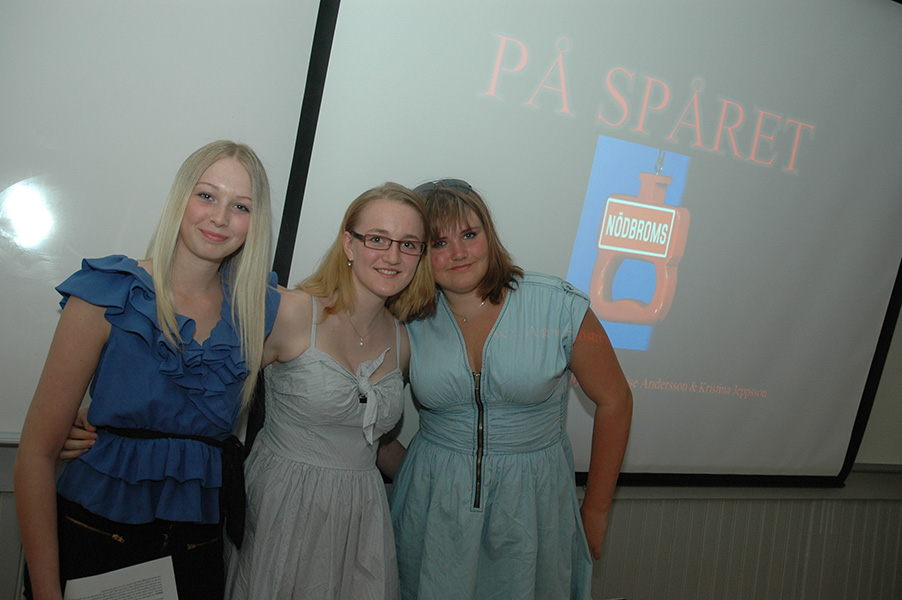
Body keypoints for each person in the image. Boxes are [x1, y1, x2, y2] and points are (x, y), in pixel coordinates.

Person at [14, 140, 281, 600]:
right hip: (95, 538)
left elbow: (337, 318)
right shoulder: (108, 295)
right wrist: (45, 592)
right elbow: (35, 456)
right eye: (206, 195)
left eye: (241, 206)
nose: (220, 217)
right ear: (180, 197)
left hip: (196, 551)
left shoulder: (258, 311)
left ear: (256, 223)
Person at [389, 179, 633, 600]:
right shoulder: (406, 317)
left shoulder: (559, 306)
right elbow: (367, 412)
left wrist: (595, 511)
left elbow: (616, 401)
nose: (459, 253)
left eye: (470, 234)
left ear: (489, 234)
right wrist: (420, 473)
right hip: (431, 511)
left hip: (534, 508)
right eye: (440, 243)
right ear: (421, 253)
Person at [223, 183, 433, 599]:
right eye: (377, 239)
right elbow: (209, 390)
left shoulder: (404, 341)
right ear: (349, 245)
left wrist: (435, 487)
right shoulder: (293, 312)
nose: (393, 257)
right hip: (283, 505)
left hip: (362, 516)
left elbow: (372, 439)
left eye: (408, 245)